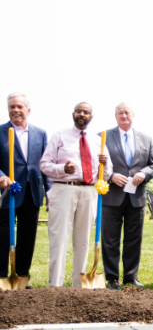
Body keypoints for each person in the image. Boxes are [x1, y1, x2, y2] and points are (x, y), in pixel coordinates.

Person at [40, 102, 112, 287]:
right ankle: (55, 285)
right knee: (60, 238)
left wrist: (105, 163)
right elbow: (44, 165)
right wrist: (62, 168)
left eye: (86, 112)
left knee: (83, 241)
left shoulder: (98, 141)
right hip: (64, 188)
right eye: (79, 111)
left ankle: (77, 287)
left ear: (91, 116)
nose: (82, 114)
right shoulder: (60, 136)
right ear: (73, 114)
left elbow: (106, 174)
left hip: (89, 191)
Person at [101, 103, 153, 290]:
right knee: (110, 239)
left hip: (137, 197)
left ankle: (130, 277)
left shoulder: (146, 139)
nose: (124, 115)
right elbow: (95, 163)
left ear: (133, 115)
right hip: (112, 196)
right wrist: (110, 176)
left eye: (127, 112)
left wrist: (144, 173)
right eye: (120, 113)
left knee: (134, 239)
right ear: (115, 116)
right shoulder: (103, 137)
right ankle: (112, 278)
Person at [0, 93, 50, 283]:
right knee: (3, 236)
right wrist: (1, 176)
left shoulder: (40, 133)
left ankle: (22, 277)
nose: (15, 110)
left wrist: (49, 192)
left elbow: (45, 165)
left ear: (28, 110)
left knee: (27, 237)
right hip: (7, 192)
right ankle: (2, 276)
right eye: (12, 107)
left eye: (20, 107)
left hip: (32, 192)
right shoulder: (0, 131)